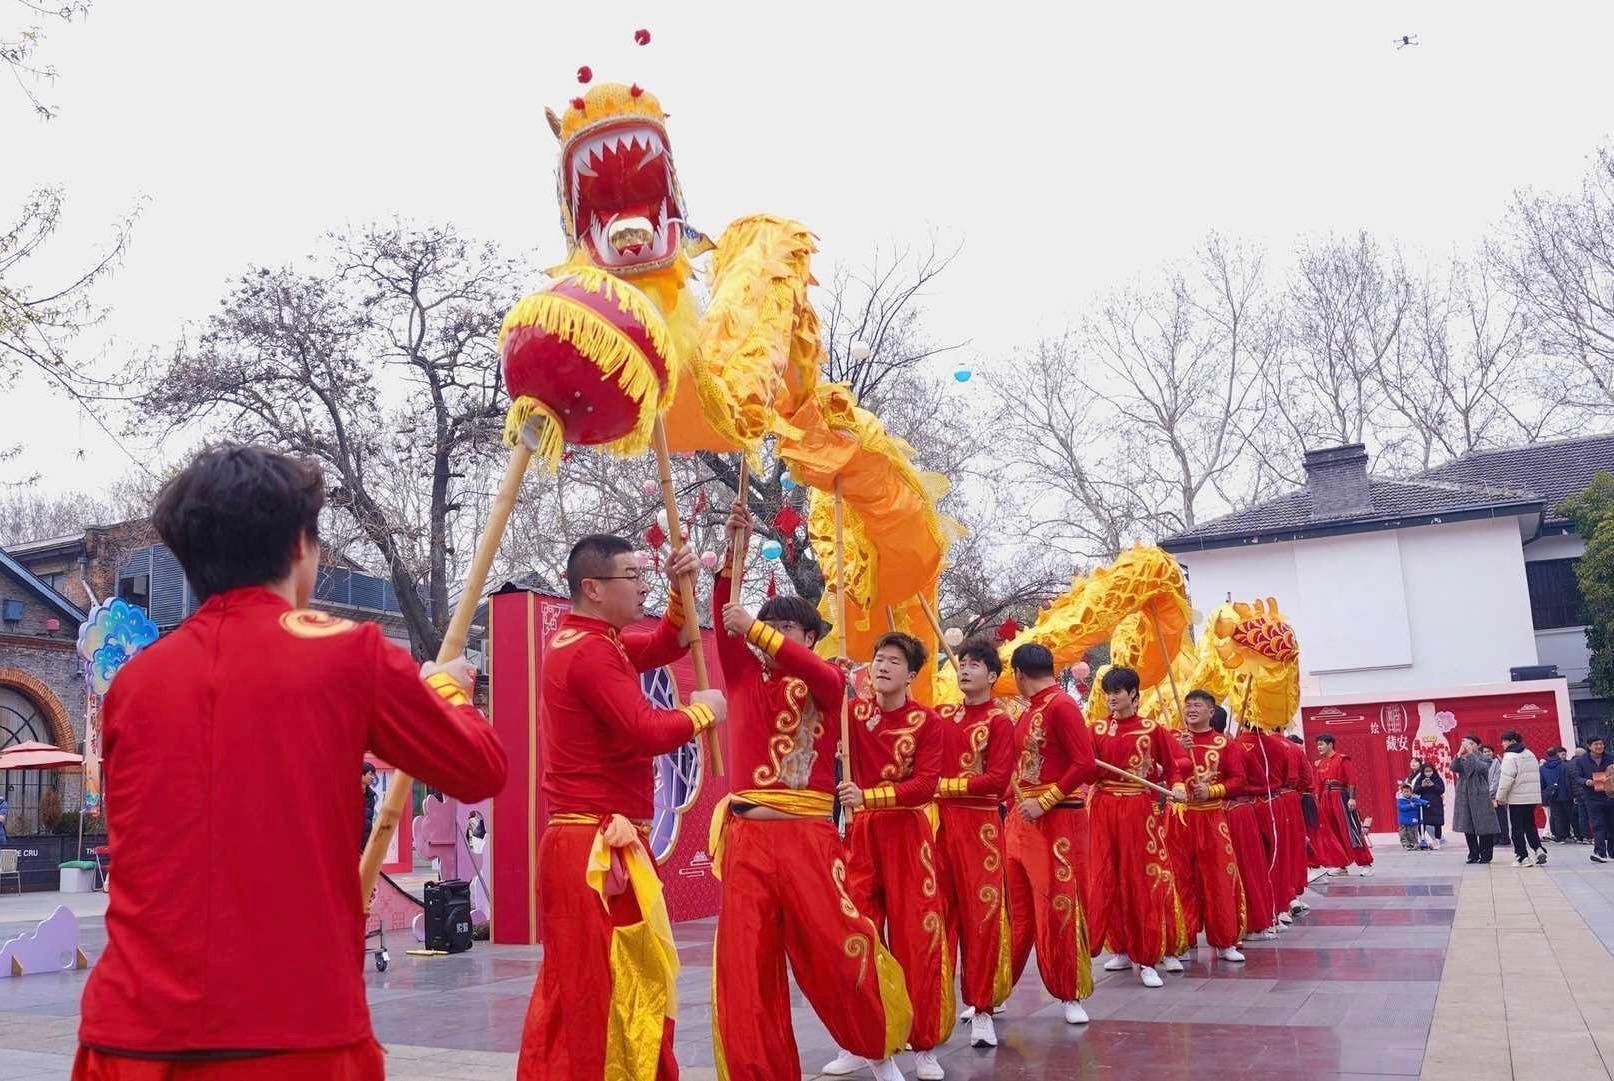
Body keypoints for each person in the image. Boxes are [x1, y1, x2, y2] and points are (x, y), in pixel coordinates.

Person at [73, 444, 508, 1081]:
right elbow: (481, 767)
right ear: (302, 546)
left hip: (131, 1035)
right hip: (292, 1031)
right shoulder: (347, 653)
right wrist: (445, 690)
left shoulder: (135, 684)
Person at [707, 502, 911, 1081]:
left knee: (836, 944)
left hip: (807, 839)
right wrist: (733, 553)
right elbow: (726, 620)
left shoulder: (829, 681)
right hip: (747, 841)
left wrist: (757, 628)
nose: (768, 635)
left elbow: (817, 673)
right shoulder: (743, 677)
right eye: (766, 624)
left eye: (785, 627)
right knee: (746, 963)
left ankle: (874, 1045)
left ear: (811, 637)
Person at [516, 533, 727, 1081]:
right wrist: (703, 714)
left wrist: (682, 586)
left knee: (617, 979)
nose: (641, 587)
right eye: (632, 577)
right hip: (592, 847)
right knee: (599, 988)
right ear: (593, 588)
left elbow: (664, 642)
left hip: (601, 839)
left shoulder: (596, 641)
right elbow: (645, 729)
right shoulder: (588, 652)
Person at [826, 633, 950, 1081]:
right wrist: (835, 676)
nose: (882, 666)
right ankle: (860, 1041)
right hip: (861, 837)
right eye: (879, 658)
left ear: (911, 674)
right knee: (858, 935)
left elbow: (926, 785)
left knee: (918, 938)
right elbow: (821, 713)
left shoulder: (927, 722)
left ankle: (924, 1044)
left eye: (894, 661)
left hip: (907, 836)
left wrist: (869, 796)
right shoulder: (852, 713)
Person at [1002, 642, 1099, 1027]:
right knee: (1016, 911)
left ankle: (1069, 991)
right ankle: (994, 992)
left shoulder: (1062, 706)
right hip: (1021, 822)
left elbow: (1085, 764)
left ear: (1018, 673)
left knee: (1058, 906)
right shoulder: (1028, 712)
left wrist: (1046, 801)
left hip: (1057, 821)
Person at [934, 637, 1016, 1049]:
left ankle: (982, 1008)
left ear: (992, 676)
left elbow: (998, 782)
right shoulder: (942, 716)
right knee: (936, 917)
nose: (964, 669)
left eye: (974, 665)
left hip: (981, 830)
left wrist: (942, 786)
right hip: (940, 828)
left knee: (981, 919)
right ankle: (934, 1010)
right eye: (962, 662)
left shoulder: (1000, 722)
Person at [1086, 665, 1189, 988]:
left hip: (1138, 809)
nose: (1111, 698)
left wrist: (1178, 786)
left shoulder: (1151, 729)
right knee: (1106, 876)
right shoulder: (1096, 729)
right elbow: (1084, 769)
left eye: (1117, 691)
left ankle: (1147, 957)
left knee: (1142, 879)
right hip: (1102, 806)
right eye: (1108, 692)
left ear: (1133, 694)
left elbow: (1173, 766)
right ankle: (1120, 947)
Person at [1173, 690, 1249, 963]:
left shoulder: (1224, 743)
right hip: (1180, 818)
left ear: (1211, 711)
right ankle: (1183, 940)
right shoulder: (1173, 738)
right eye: (1188, 705)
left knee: (1218, 877)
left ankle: (1225, 940)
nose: (1191, 709)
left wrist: (1213, 790)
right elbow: (1158, 771)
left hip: (1212, 817)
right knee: (1181, 879)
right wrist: (1177, 753)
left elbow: (1238, 780)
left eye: (1197, 705)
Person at [1312, 734, 1373, 876]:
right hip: (1325, 799)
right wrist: (1318, 802)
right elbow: (1318, 785)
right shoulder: (1319, 763)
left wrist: (1352, 798)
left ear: (1330, 744)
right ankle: (1341, 865)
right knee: (1333, 832)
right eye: (1318, 745)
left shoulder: (1342, 759)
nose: (1319, 747)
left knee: (1351, 830)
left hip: (1340, 797)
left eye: (1321, 744)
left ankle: (1366, 863)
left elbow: (1352, 779)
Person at [1494, 730, 1547, 867]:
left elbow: (1506, 779)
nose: (1502, 744)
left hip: (1516, 798)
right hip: (1531, 797)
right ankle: (1538, 849)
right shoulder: (1530, 754)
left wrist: (1500, 797)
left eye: (1504, 741)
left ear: (1512, 741)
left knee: (1517, 828)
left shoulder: (1510, 756)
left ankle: (1522, 856)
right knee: (1530, 824)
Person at [1452, 736, 1498, 865]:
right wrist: (1459, 754)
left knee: (1485, 826)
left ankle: (1486, 855)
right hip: (1465, 795)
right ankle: (1473, 854)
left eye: (1471, 743)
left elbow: (1481, 768)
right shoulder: (1462, 758)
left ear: (1478, 745)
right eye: (1465, 743)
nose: (1467, 746)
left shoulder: (1485, 758)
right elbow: (1454, 768)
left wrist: (1471, 754)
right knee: (1468, 826)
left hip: (1480, 795)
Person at [1570, 736, 1614, 863]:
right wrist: (1586, 781)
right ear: (1589, 746)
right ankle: (1600, 852)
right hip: (1592, 797)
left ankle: (1612, 851)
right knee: (1597, 825)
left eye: (1601, 744)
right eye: (1596, 744)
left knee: (1612, 825)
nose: (1599, 746)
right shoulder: (1581, 761)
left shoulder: (1610, 757)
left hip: (1610, 796)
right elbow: (1576, 776)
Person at [1540, 747, 1574, 843]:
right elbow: (1568, 780)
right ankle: (1569, 834)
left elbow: (1542, 783)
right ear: (1556, 754)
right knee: (1569, 815)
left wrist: (1546, 792)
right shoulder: (1564, 766)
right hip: (1565, 793)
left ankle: (1559, 836)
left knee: (1556, 816)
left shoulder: (1542, 768)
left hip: (1552, 794)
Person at [1411, 763, 1446, 848]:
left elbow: (1441, 790)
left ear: (1433, 771)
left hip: (1436, 804)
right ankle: (1423, 840)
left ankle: (1437, 841)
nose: (1428, 773)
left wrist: (1433, 785)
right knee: (1422, 823)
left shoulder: (1437, 779)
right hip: (1424, 804)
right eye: (1426, 771)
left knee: (1437, 823)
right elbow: (1415, 790)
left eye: (1430, 771)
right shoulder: (1420, 779)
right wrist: (1422, 786)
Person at [1484, 746, 1511, 845]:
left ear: (1492, 752)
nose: (1487, 753)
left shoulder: (1497, 763)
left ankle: (1504, 838)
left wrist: (1489, 794)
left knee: (1501, 818)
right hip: (1486, 797)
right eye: (1484, 752)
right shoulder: (1481, 764)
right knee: (1491, 819)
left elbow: (1496, 781)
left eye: (1489, 751)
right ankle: (1494, 838)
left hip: (1497, 796)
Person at [1572, 744, 1593, 843]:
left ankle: (1584, 836)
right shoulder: (1585, 763)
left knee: (1582, 816)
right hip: (1587, 790)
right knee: (1591, 814)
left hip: (1576, 793)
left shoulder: (1569, 764)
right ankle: (1590, 835)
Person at [1396, 784, 1428, 850]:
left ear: (1411, 792)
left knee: (1413, 833)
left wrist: (1427, 803)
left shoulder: (1414, 799)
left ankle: (1414, 843)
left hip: (1413, 820)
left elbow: (1420, 801)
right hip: (1404, 821)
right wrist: (1410, 805)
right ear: (1402, 792)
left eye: (1408, 791)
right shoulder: (1400, 800)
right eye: (1405, 792)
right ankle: (1406, 845)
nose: (1406, 793)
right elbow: (1401, 807)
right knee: (1403, 834)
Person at [360, 762, 378, 854]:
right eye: (370, 774)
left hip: (366, 844)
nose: (373, 777)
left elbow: (369, 820)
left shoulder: (371, 796)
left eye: (373, 775)